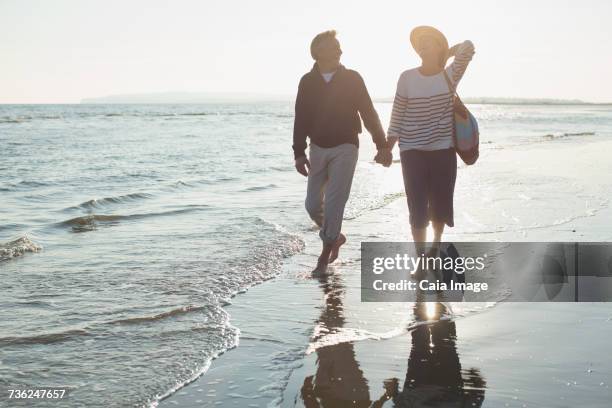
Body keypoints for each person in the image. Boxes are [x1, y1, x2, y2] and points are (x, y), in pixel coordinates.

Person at [292, 30, 392, 275]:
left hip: (346, 147)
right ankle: (334, 237)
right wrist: (298, 152)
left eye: (339, 46)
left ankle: (323, 259)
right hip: (317, 148)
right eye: (334, 46)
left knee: (335, 203)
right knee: (312, 204)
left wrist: (381, 144)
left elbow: (368, 112)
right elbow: (301, 118)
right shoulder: (307, 81)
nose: (340, 50)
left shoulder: (353, 78)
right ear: (318, 52)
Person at [385, 26, 475, 257]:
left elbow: (469, 47)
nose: (423, 45)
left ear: (438, 47)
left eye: (429, 42)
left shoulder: (450, 74)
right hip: (411, 150)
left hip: (443, 150)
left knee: (440, 205)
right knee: (416, 206)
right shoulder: (407, 77)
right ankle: (420, 257)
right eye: (421, 43)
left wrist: (449, 52)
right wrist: (387, 147)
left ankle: (435, 245)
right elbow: (397, 114)